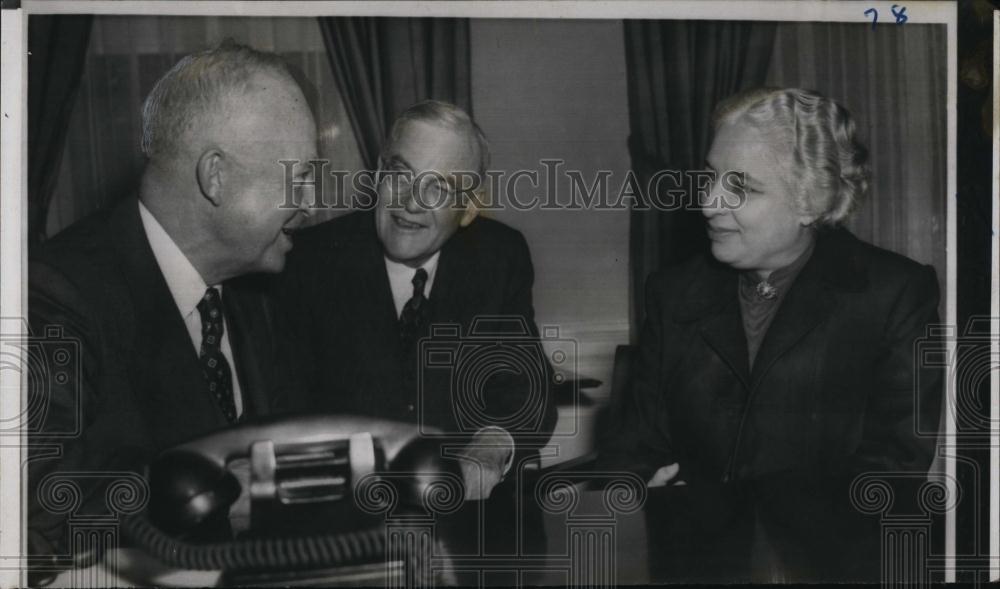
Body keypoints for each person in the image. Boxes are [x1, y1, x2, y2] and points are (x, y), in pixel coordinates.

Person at [599, 87, 942, 582]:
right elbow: (634, 448)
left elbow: (893, 472)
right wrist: (634, 493)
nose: (709, 204)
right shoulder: (672, 293)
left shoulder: (893, 293)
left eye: (743, 188)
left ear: (813, 200)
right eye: (710, 177)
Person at [27, 41, 317, 559]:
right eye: (299, 180)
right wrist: (213, 491)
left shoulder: (259, 289)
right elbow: (33, 512)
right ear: (215, 177)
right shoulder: (53, 297)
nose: (312, 206)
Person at [276, 100, 558, 500]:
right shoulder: (308, 261)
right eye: (400, 175)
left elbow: (527, 387)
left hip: (465, 519)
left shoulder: (499, 257)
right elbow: (283, 412)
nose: (410, 202)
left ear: (469, 208)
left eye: (439, 187)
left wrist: (490, 448)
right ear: (378, 173)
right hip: (343, 518)